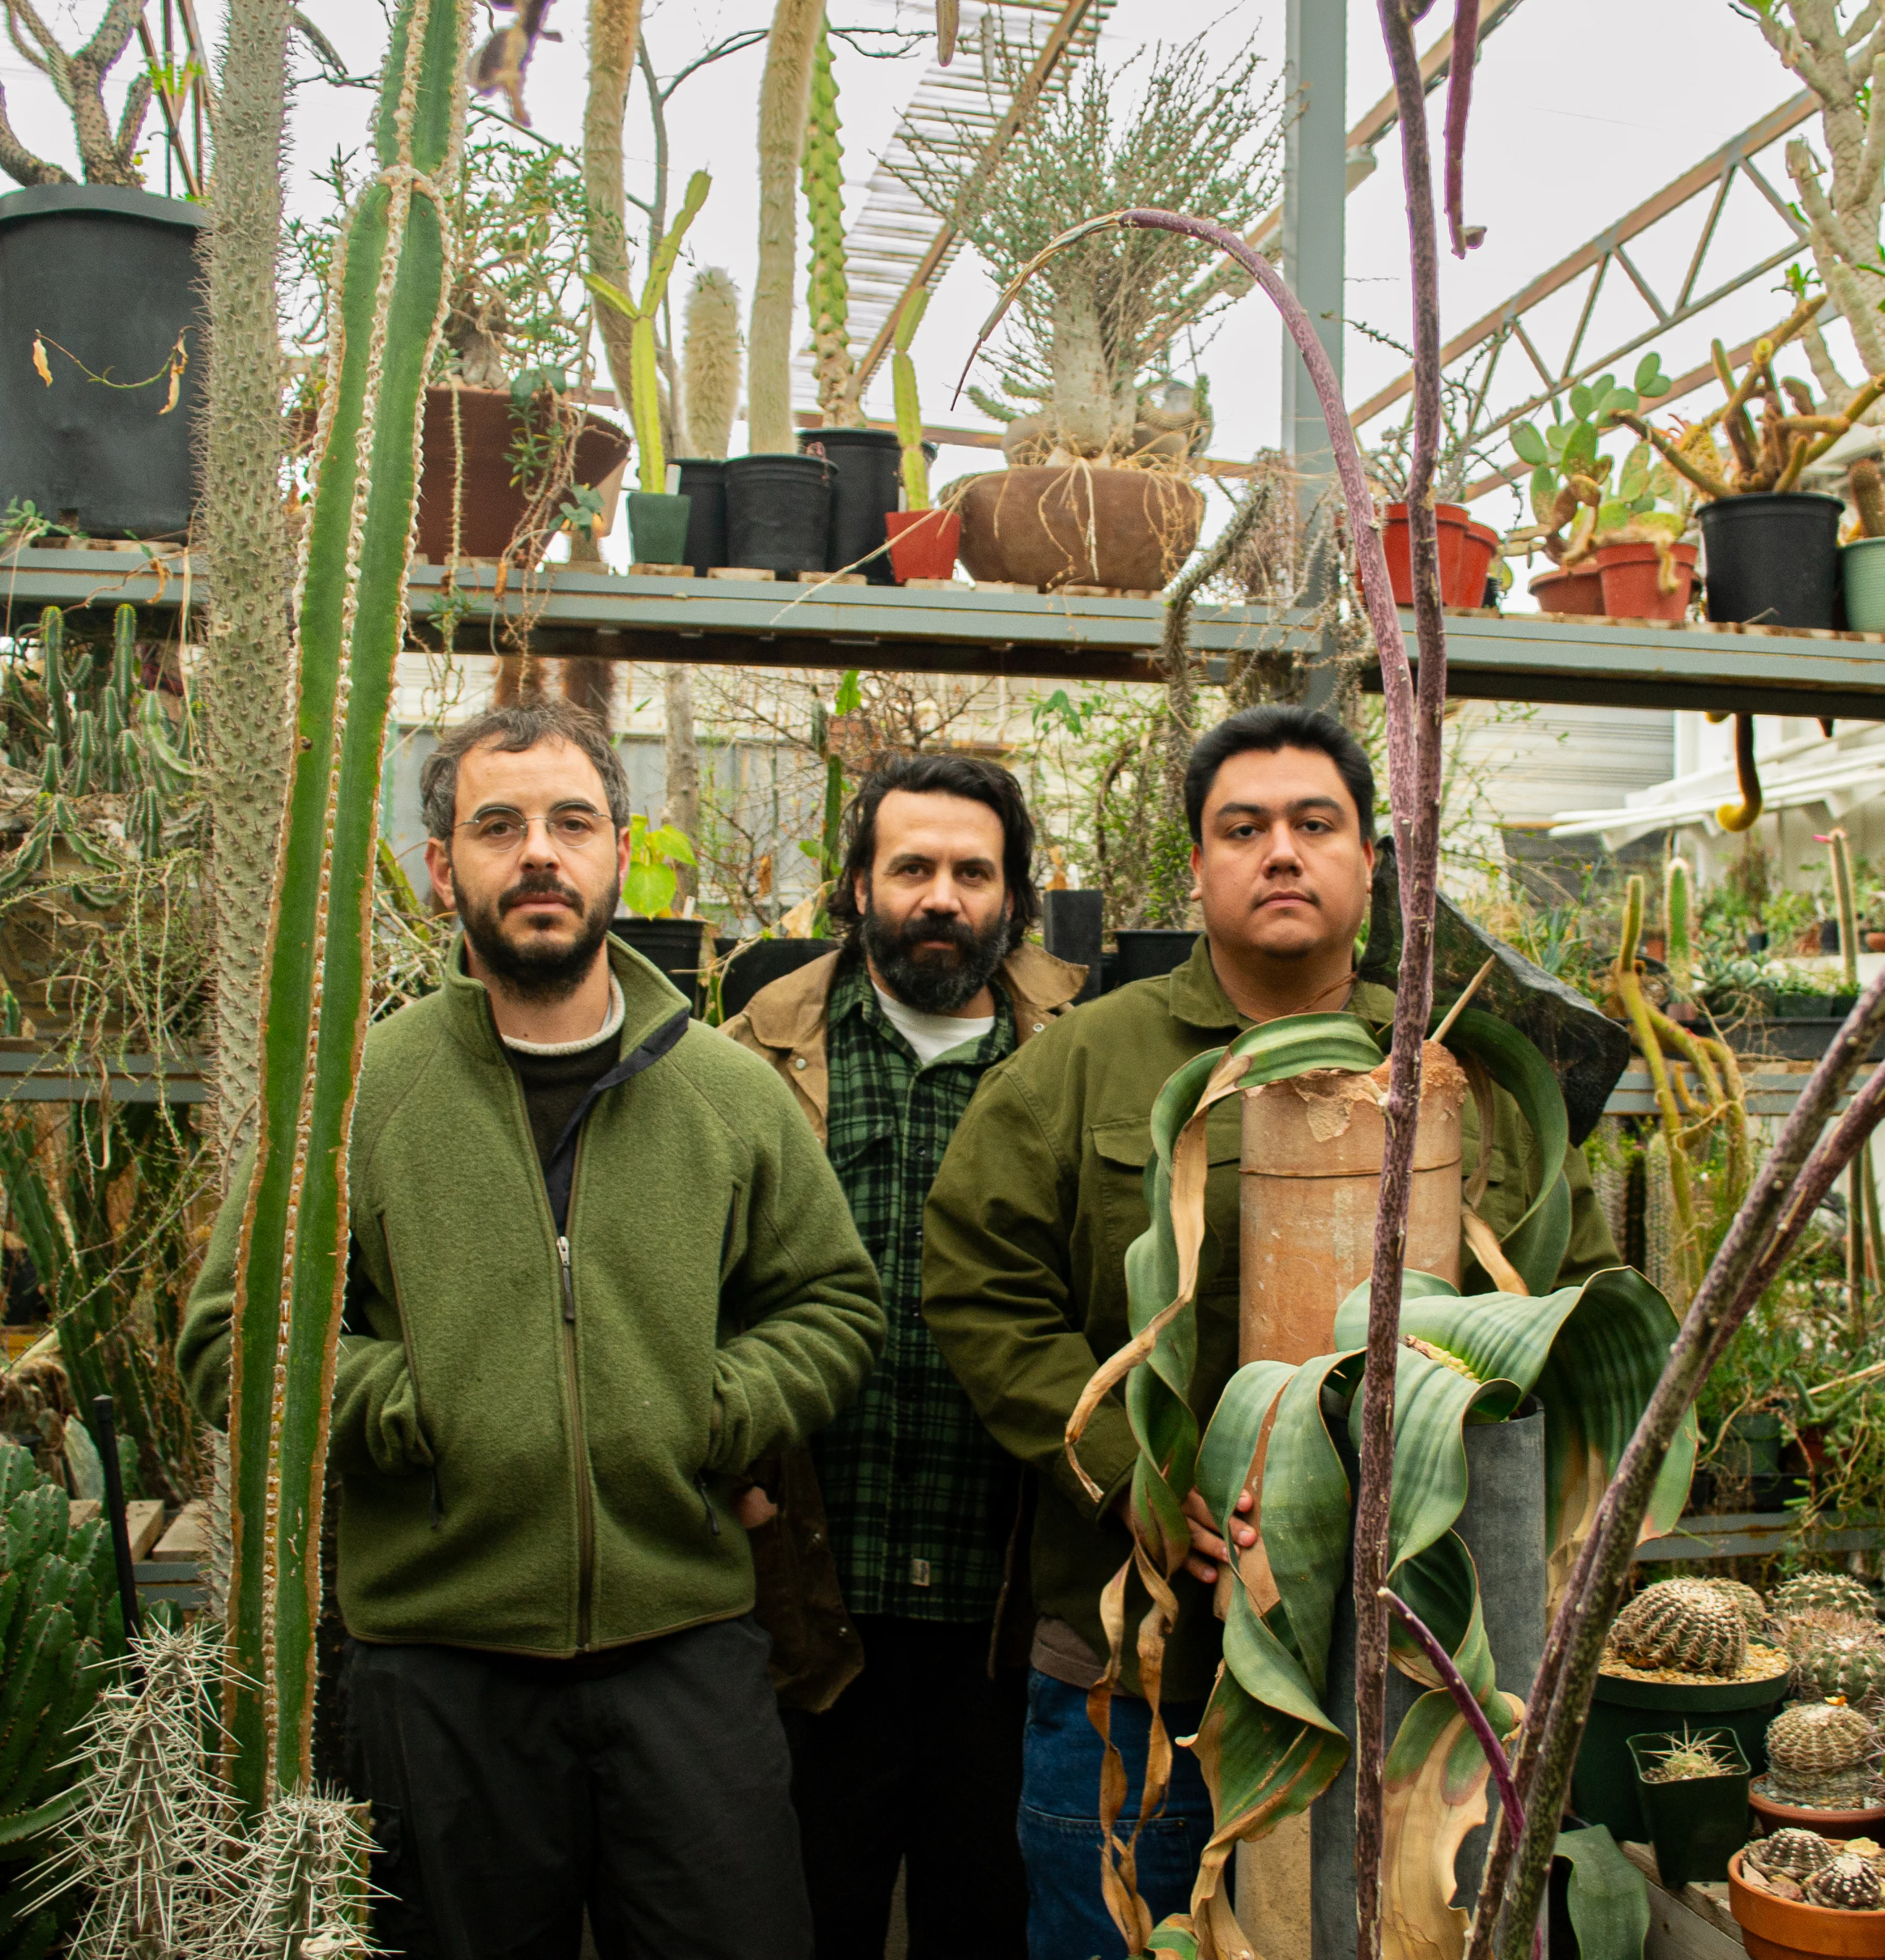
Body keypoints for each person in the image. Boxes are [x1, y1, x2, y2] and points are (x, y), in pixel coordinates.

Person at [178, 698, 883, 1960]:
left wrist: (706, 1411)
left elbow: (831, 1304)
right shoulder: (359, 1094)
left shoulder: (728, 1091)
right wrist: (423, 1409)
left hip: (687, 1654)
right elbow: (235, 1336)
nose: (540, 854)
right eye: (498, 827)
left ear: (620, 850)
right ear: (446, 869)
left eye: (573, 821)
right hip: (438, 1668)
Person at [921, 703, 1620, 1960]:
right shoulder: (1084, 1067)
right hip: (1141, 1683)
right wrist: (1138, 1471)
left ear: (1370, 862)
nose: (1281, 853)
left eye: (1316, 825)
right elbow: (979, 1284)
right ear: (1197, 868)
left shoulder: (1464, 1074)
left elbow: (1578, 1297)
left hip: (1418, 1681)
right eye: (1243, 829)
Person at [723, 752, 1085, 1960]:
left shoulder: (1082, 1062)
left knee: (986, 1922)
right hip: (813, 1596)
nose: (942, 896)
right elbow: (688, 1291)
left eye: (973, 873)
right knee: (803, 1917)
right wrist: (733, 1474)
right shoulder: (749, 1061)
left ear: (1017, 898)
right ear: (858, 887)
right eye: (913, 867)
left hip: (1010, 1601)